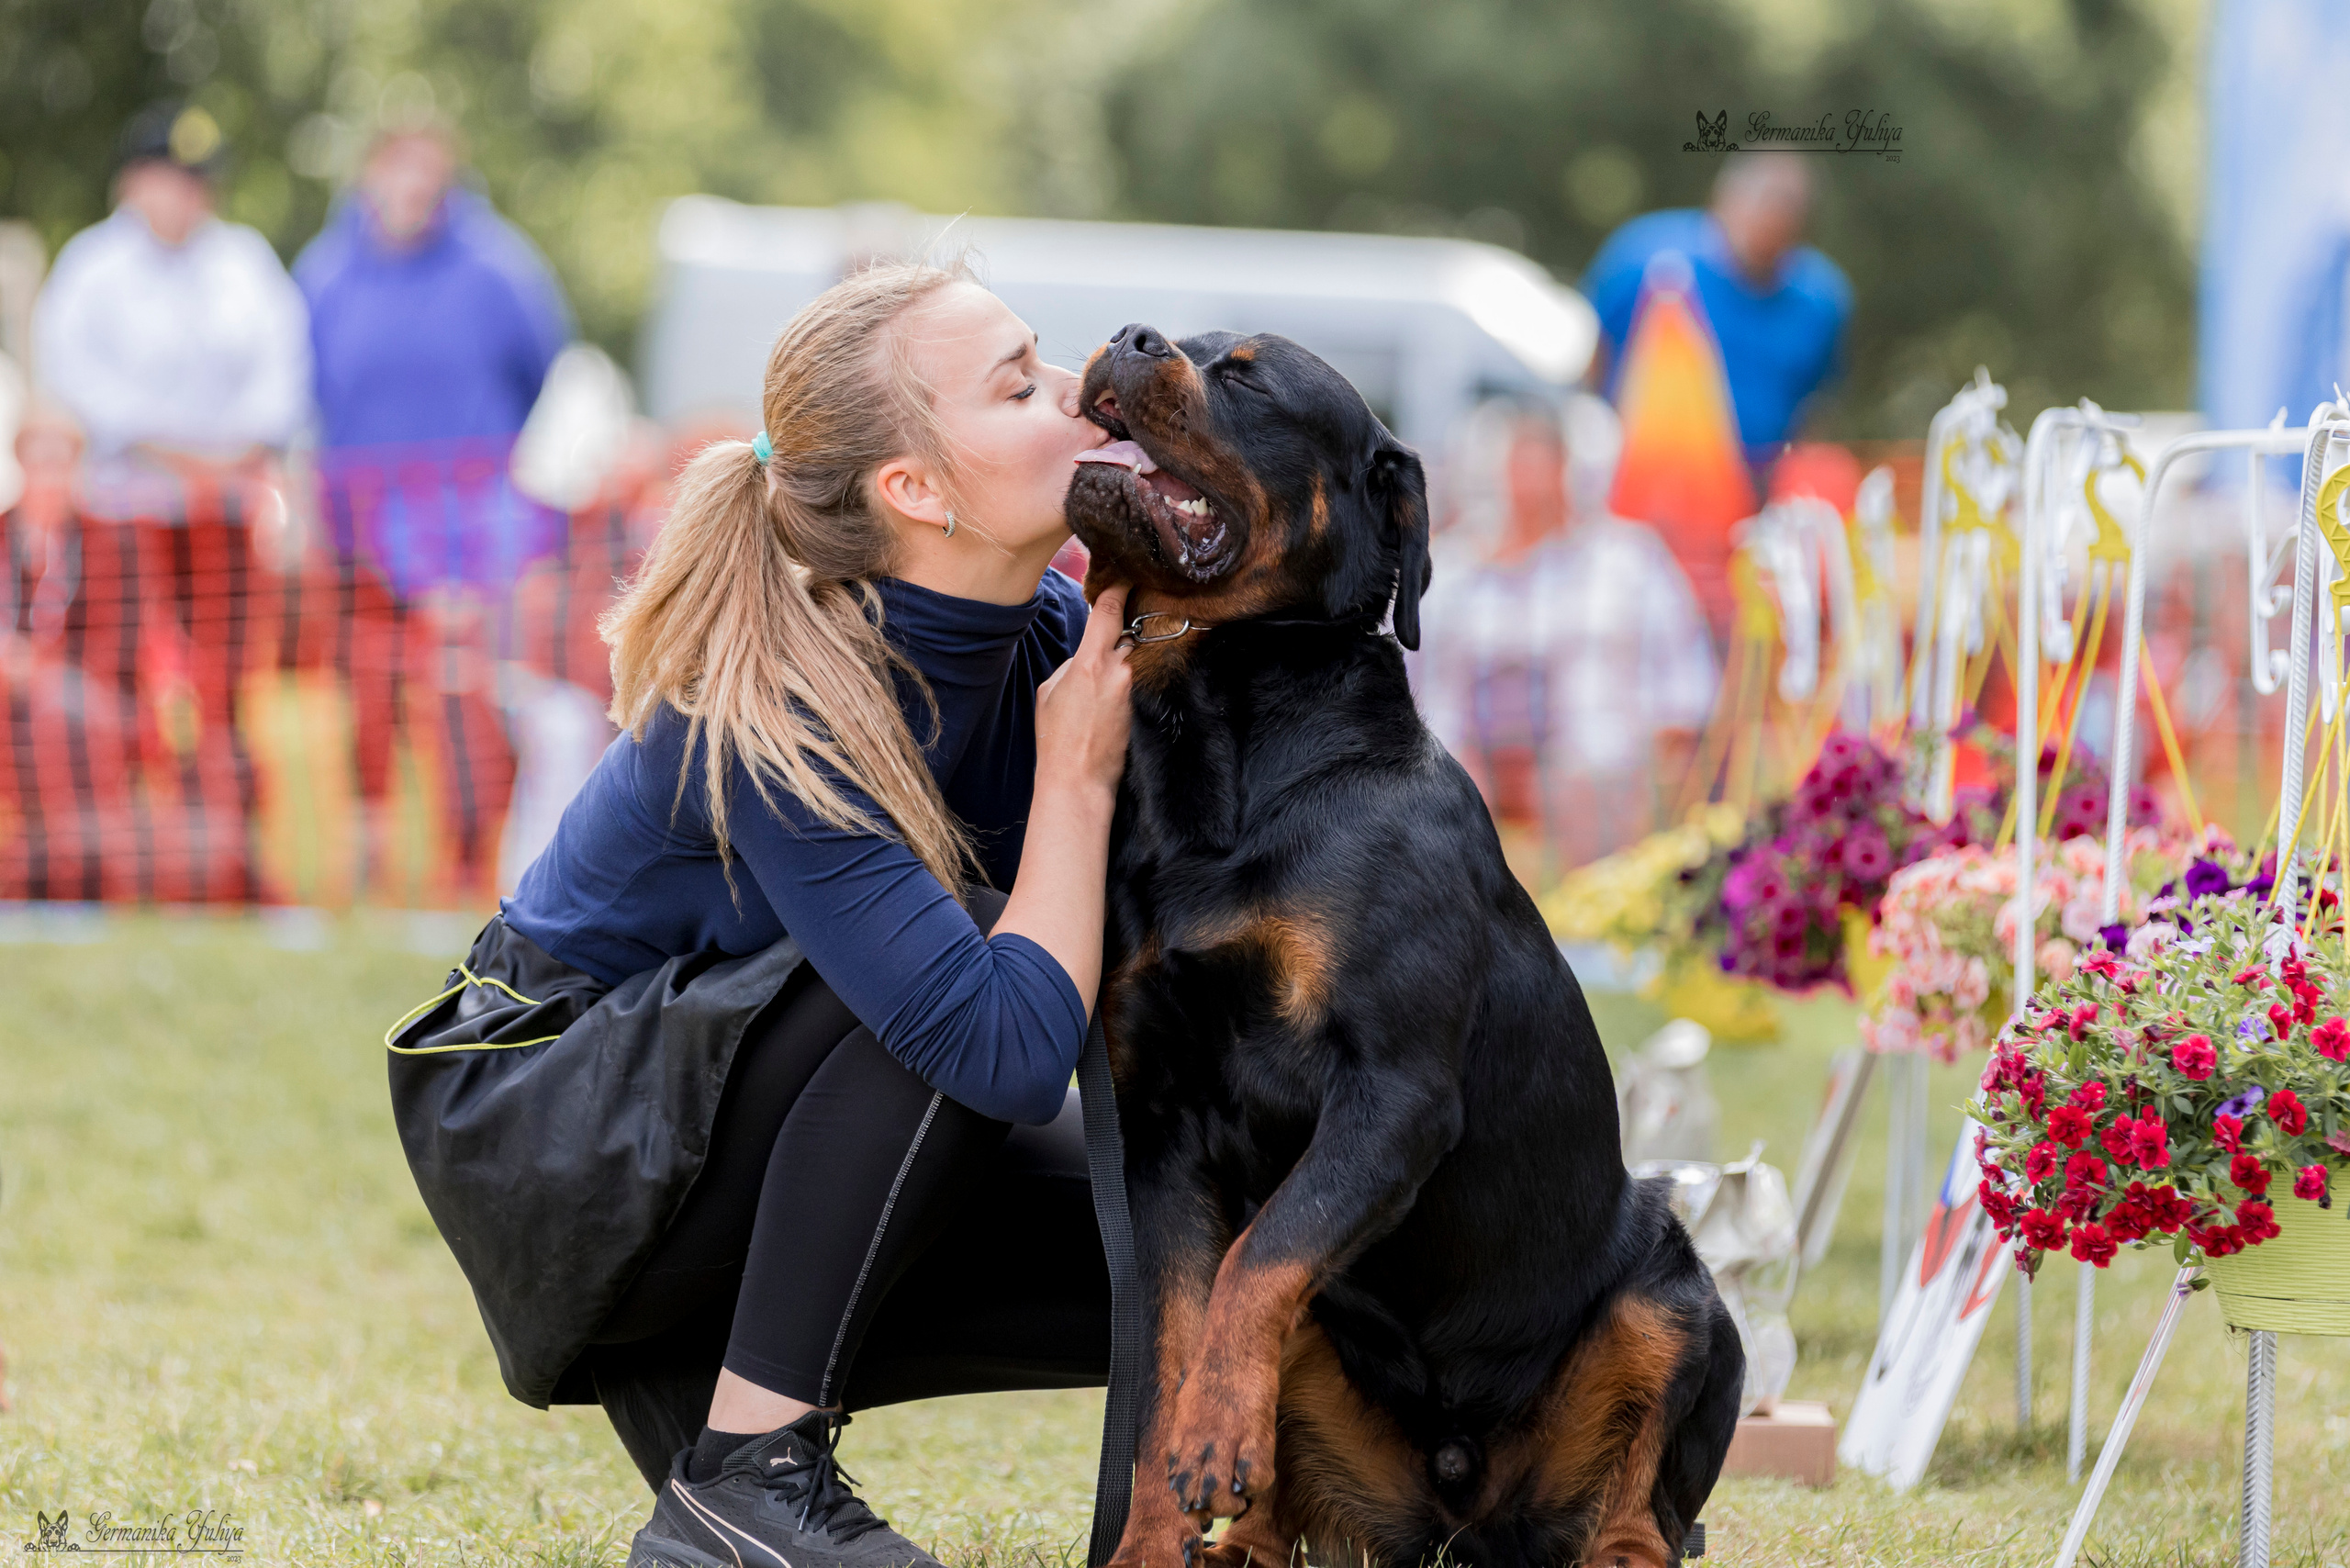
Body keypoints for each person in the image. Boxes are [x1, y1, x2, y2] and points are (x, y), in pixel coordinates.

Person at [382, 260, 1133, 1568]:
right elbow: (1006, 1049)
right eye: (1023, 383)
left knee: (1177, 1253)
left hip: (734, 1123)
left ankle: (710, 1375)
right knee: (954, 973)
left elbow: (1105, 972)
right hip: (554, 1140)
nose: (1081, 393)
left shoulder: (1043, 634)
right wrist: (1077, 774)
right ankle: (749, 1470)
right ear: (915, 489)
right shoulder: (784, 706)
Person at [29, 102, 311, 902]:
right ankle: (108, 860)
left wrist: (229, 462)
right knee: (120, 688)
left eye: (197, 182)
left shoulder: (244, 263)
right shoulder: (92, 268)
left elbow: (281, 376)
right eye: (169, 178)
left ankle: (225, 861)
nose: (183, 197)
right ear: (134, 181)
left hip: (221, 520)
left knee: (224, 691)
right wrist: (182, 454)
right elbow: (84, 387)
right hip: (127, 520)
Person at [296, 119, 573, 898]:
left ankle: (473, 859)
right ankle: (369, 847)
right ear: (370, 176)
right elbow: (308, 388)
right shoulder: (325, 273)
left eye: (426, 173)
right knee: (366, 695)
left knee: (467, 696)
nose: (411, 189)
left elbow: (541, 367)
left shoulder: (500, 268)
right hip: (356, 525)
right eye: (397, 171)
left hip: (469, 531)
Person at [1410, 400, 1716, 878]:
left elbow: (1684, 699)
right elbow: (1399, 689)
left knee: (1581, 791)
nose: (1531, 482)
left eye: (1546, 464)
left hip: (1597, 797)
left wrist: (1647, 802)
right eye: (1520, 463)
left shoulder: (1630, 563)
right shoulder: (1449, 573)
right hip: (1462, 788)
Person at [1582, 151, 1852, 477]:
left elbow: (1816, 405)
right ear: (1725, 201)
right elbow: (1594, 359)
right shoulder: (1644, 258)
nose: (1771, 225)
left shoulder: (1820, 299)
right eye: (1764, 208)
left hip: (1758, 484)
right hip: (1641, 477)